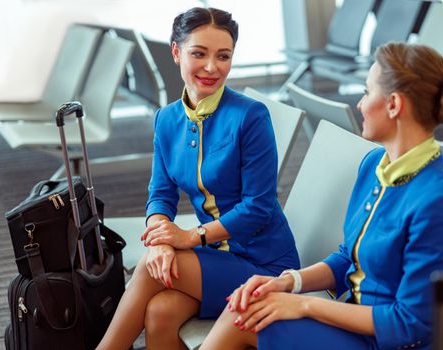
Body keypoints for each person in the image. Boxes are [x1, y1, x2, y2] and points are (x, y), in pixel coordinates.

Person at [200, 42, 443, 350]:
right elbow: (349, 257)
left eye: (367, 92)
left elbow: (409, 325)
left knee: (241, 317)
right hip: (353, 320)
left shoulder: (441, 202)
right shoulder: (375, 164)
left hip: (391, 342)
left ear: (394, 104)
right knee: (245, 308)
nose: (359, 104)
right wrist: (288, 282)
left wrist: (304, 305)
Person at [96, 7, 299, 350]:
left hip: (263, 263)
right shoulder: (167, 119)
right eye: (198, 54)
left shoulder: (250, 116)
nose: (211, 67)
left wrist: (189, 237)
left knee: (148, 268)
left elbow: (259, 207)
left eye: (223, 56)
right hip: (213, 256)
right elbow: (161, 193)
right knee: (160, 312)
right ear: (176, 52)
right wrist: (161, 238)